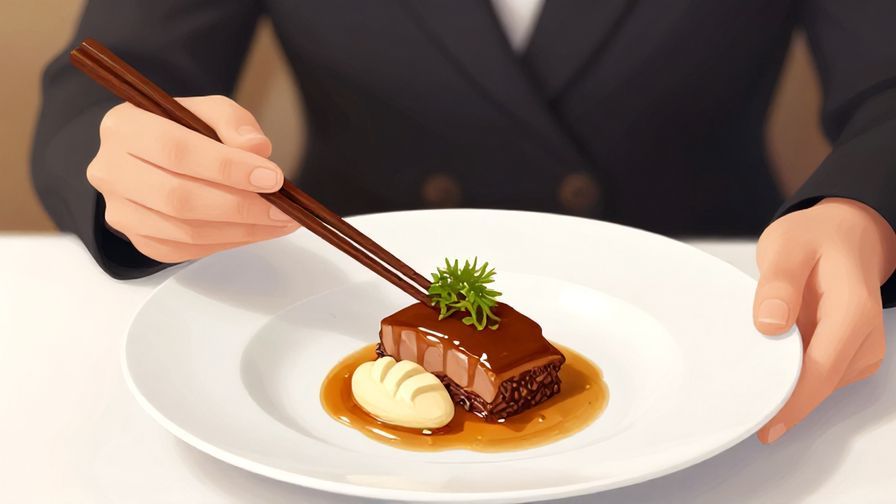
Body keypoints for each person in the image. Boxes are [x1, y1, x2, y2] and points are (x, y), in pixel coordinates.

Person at [31, 0, 896, 444]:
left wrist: (865, 204)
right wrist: (132, 173)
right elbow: (103, 83)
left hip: (723, 325)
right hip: (333, 291)